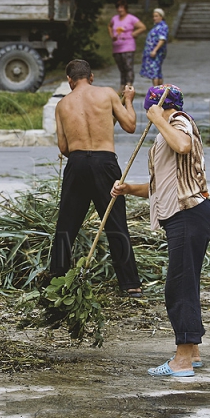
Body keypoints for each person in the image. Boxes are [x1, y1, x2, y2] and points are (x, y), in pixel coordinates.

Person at [111, 84, 210, 377]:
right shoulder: (165, 133)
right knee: (187, 283)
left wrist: (158, 117)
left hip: (189, 215)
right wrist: (128, 189)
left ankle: (181, 361)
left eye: (149, 109)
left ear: (154, 106)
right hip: (186, 216)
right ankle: (192, 353)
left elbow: (182, 145)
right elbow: (161, 186)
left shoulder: (179, 122)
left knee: (178, 287)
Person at [50, 59, 142, 297]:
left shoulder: (62, 105)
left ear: (70, 81)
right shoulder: (108, 94)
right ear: (91, 77)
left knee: (66, 227)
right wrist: (129, 101)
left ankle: (57, 280)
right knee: (115, 223)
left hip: (77, 163)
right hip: (105, 162)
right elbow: (130, 126)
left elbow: (63, 147)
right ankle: (130, 284)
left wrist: (82, 151)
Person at [109, 0, 147, 94]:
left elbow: (142, 27)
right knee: (121, 68)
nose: (119, 9)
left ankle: (129, 85)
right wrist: (112, 35)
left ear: (125, 8)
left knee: (128, 66)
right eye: (118, 7)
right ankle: (122, 86)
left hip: (128, 46)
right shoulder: (115, 18)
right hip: (117, 46)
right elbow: (109, 26)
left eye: (121, 7)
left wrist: (134, 33)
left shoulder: (131, 18)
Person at [140, 8, 169, 87]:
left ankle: (156, 90)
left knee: (155, 72)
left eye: (156, 16)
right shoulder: (156, 26)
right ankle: (159, 90)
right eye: (154, 16)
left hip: (157, 53)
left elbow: (162, 39)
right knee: (157, 72)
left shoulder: (163, 27)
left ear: (161, 16)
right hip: (152, 52)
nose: (154, 18)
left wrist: (155, 50)